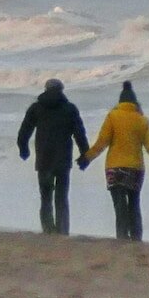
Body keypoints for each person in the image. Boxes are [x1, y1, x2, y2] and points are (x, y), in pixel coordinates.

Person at [80, 81, 149, 241]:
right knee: (134, 204)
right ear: (135, 103)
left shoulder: (112, 116)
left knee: (119, 205)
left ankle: (122, 237)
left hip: (115, 169)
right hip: (136, 170)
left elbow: (102, 142)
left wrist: (87, 158)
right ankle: (136, 238)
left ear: (120, 102)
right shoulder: (142, 120)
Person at [15, 77, 90, 234]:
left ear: (45, 89)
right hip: (63, 160)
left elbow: (24, 131)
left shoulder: (36, 108)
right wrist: (85, 155)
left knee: (46, 197)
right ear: (61, 90)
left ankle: (48, 230)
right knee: (62, 198)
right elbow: (79, 134)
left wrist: (23, 149)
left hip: (43, 159)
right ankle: (62, 231)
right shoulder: (70, 109)